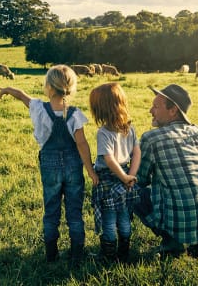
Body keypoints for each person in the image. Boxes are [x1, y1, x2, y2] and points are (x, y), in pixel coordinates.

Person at [0, 64, 99, 265]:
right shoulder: (75, 114)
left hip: (49, 165)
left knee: (51, 209)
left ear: (49, 87)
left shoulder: (38, 107)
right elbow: (82, 143)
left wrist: (7, 90)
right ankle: (77, 255)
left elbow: (22, 95)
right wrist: (91, 171)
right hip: (73, 165)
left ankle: (51, 255)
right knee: (74, 212)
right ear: (70, 87)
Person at [133, 84, 198, 258]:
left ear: (173, 110)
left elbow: (139, 179)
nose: (150, 110)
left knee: (129, 189)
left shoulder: (151, 138)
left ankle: (171, 241)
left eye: (156, 106)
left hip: (179, 225)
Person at [89, 82, 141, 263]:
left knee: (109, 219)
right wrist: (130, 176)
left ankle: (109, 255)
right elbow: (136, 153)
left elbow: (109, 160)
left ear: (101, 109)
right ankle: (124, 253)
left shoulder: (103, 132)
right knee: (124, 216)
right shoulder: (130, 128)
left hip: (108, 180)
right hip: (126, 176)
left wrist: (125, 177)